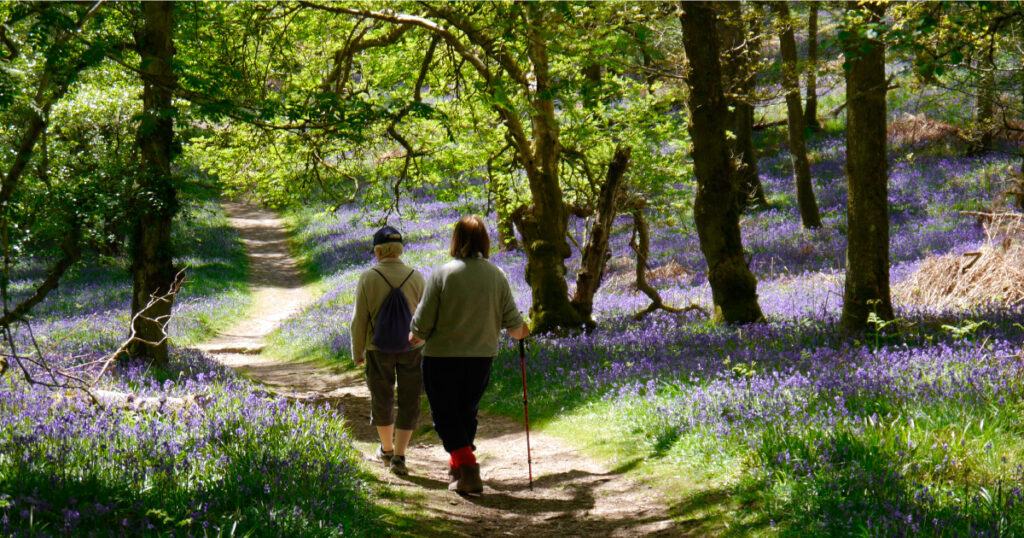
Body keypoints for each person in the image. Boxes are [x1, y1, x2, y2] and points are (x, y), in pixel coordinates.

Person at [409, 215, 529, 495]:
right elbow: (515, 328)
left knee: (445, 417)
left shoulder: (442, 273)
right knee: (465, 415)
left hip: (441, 358)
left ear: (456, 239)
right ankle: (458, 471)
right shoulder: (496, 275)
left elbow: (421, 326)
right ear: (484, 241)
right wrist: (527, 327)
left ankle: (469, 469)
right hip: (481, 359)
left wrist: (413, 335)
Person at [350, 225, 426, 476]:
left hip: (377, 348)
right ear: (400, 250)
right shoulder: (416, 276)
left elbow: (359, 319)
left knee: (381, 397)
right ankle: (401, 456)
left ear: (379, 251)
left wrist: (357, 351)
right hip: (412, 348)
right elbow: (425, 318)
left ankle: (386, 449)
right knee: (409, 399)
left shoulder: (368, 277)